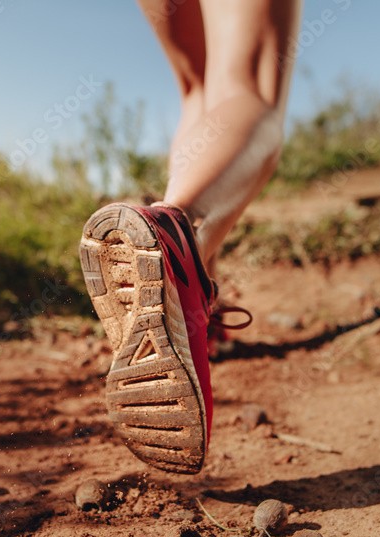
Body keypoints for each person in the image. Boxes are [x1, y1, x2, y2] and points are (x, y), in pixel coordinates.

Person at [79, 0, 301, 474]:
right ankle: (180, 236)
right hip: (181, 236)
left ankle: (196, 315)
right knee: (250, 83)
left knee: (197, 91)